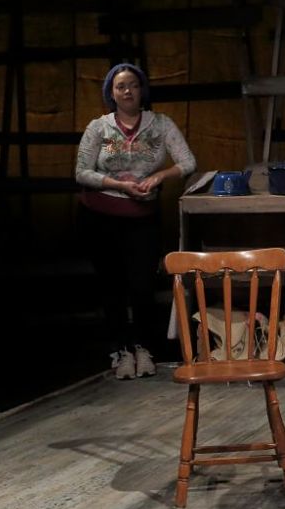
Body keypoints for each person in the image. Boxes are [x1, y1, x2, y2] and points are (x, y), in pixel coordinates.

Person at [75, 63, 197, 380]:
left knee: (142, 285)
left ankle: (143, 348)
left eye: (132, 84)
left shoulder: (160, 125)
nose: (127, 91)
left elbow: (187, 162)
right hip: (100, 217)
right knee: (111, 285)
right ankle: (121, 350)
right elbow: (82, 172)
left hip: (142, 218)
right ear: (111, 93)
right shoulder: (98, 128)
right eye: (120, 86)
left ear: (142, 89)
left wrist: (159, 176)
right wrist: (118, 186)